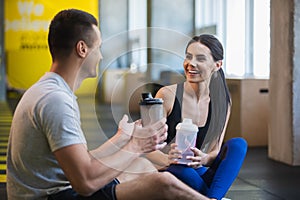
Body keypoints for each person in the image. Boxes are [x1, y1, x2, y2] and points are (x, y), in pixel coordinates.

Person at [6, 9, 210, 200]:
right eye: (99, 47)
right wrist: (137, 145)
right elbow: (84, 182)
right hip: (53, 196)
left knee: (139, 165)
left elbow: (81, 160)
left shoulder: (50, 90)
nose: (101, 56)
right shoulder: (55, 100)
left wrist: (123, 138)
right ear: (82, 49)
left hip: (58, 190)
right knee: (162, 182)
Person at [145, 34, 248, 200]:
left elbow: (215, 150)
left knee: (238, 145)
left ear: (217, 65)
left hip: (199, 170)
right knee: (180, 168)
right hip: (172, 170)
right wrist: (167, 158)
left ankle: (211, 198)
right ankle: (215, 197)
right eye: (188, 56)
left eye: (200, 58)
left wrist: (204, 158)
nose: (191, 63)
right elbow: (149, 148)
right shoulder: (167, 95)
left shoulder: (222, 102)